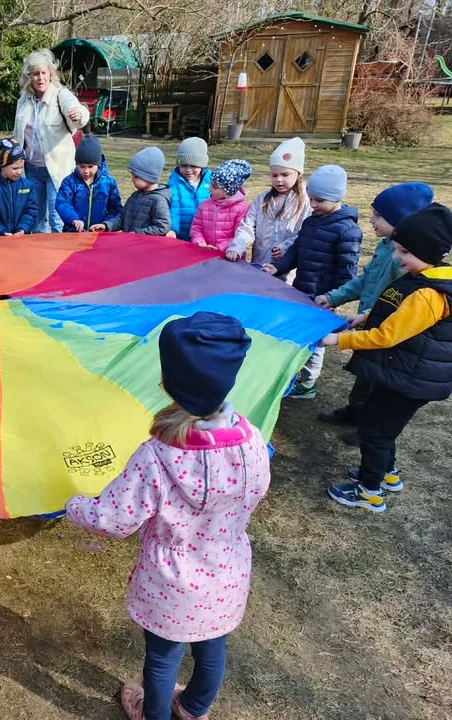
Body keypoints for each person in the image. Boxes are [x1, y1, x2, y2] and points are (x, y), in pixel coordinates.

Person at [66, 311, 270, 720]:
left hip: (170, 584)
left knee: (162, 660)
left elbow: (113, 518)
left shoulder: (158, 456)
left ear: (167, 383)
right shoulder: (252, 439)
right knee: (213, 647)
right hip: (226, 573)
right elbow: (256, 492)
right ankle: (194, 708)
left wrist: (75, 505)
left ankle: (153, 713)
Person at [322, 203, 452, 513]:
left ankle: (370, 491)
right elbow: (395, 315)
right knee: (383, 426)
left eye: (405, 252)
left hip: (408, 379)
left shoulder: (428, 293)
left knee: (375, 431)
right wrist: (365, 316)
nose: (398, 258)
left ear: (428, 252)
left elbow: (388, 335)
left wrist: (340, 339)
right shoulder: (422, 279)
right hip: (403, 373)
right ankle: (385, 473)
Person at [316, 182, 434, 434]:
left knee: (377, 380)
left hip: (387, 328)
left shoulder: (405, 258)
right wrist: (333, 297)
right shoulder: (385, 248)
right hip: (368, 320)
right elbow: (364, 281)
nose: (371, 220)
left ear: (401, 222)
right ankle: (355, 412)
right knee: (365, 373)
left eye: (379, 216)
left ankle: (367, 428)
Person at [263, 165, 362, 399]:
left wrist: (336, 297)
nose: (313, 204)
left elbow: (348, 270)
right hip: (303, 290)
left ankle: (307, 383)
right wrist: (278, 266)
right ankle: (293, 373)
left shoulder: (348, 231)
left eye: (319, 200)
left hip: (325, 297)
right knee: (300, 333)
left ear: (336, 198)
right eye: (311, 199)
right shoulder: (311, 221)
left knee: (317, 341)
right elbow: (297, 251)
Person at [12, 48, 90, 233]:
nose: (40, 78)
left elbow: (80, 113)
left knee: (58, 217)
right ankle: (41, 258)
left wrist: (78, 114)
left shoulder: (60, 95)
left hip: (57, 169)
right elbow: (17, 132)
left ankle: (61, 257)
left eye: (43, 73)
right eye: (35, 74)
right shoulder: (24, 100)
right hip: (32, 168)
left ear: (50, 74)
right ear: (28, 77)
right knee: (37, 216)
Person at [227, 137, 311, 264]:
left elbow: (306, 232)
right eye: (274, 175)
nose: (279, 180)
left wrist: (287, 246)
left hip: (287, 268)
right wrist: (237, 246)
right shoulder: (262, 199)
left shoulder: (306, 202)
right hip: (260, 264)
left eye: (285, 174)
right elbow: (248, 225)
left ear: (298, 174)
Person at [54, 135, 123, 233]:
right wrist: (74, 219)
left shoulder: (108, 183)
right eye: (82, 167)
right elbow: (62, 203)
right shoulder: (69, 182)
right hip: (74, 232)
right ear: (76, 164)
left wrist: (105, 224)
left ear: (98, 165)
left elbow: (116, 208)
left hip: (99, 234)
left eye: (90, 167)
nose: (86, 171)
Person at [0, 138, 39, 236]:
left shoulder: (28, 186)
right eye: (15, 168)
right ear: (3, 165)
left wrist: (23, 228)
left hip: (21, 238)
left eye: (21, 167)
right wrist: (2, 231)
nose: (19, 172)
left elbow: (31, 211)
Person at [191, 159, 252, 255]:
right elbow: (196, 227)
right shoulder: (204, 205)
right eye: (210, 184)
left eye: (215, 187)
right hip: (204, 254)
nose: (209, 188)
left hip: (229, 256)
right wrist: (200, 242)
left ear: (227, 191)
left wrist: (220, 247)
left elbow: (240, 235)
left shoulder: (241, 209)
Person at [166, 137, 212, 241]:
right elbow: (174, 208)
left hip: (204, 236)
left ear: (202, 165)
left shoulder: (211, 182)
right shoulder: (174, 183)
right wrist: (173, 230)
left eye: (193, 166)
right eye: (184, 165)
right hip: (182, 234)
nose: (188, 170)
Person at [122, 147, 171, 236]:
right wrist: (107, 225)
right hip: (130, 244)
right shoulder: (135, 196)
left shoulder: (158, 200)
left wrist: (138, 233)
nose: (132, 180)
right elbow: (122, 217)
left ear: (148, 177)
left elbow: (162, 227)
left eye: (136, 176)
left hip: (146, 247)